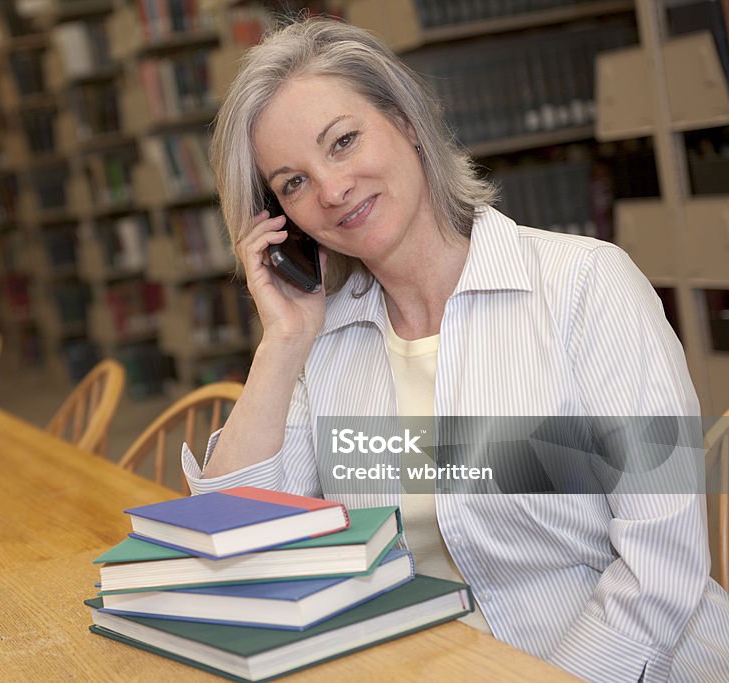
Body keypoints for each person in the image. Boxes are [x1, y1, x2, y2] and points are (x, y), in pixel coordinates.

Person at [180, 17, 729, 682]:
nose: (330, 190)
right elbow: (236, 548)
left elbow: (662, 563)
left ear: (406, 123)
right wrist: (283, 341)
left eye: (344, 142)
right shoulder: (323, 348)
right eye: (292, 182)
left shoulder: (585, 286)